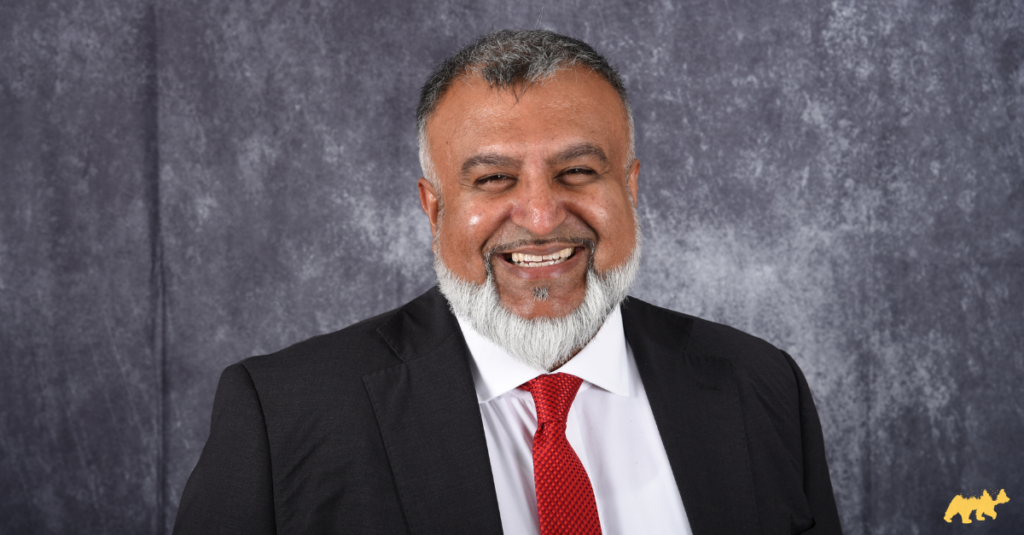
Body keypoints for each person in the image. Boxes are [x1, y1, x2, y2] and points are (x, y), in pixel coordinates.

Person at [173, 29, 842, 535]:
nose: (542, 217)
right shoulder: (285, 415)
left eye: (578, 171)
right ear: (433, 209)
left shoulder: (760, 385)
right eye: (494, 179)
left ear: (630, 188)